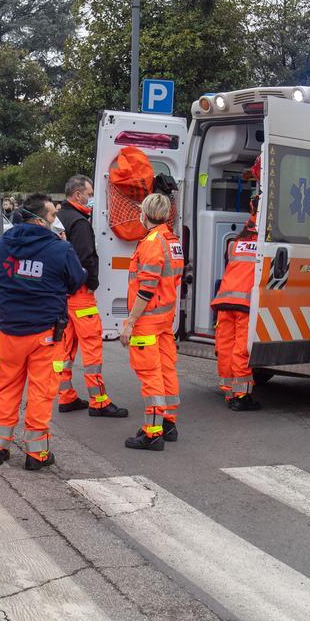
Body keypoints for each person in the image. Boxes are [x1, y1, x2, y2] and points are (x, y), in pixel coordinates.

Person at [0, 193, 86, 471]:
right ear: (40, 218)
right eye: (53, 216)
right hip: (45, 333)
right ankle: (36, 454)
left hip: (10, 331)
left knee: (5, 388)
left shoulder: (4, 243)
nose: (55, 220)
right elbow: (77, 280)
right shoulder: (59, 248)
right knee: (41, 393)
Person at [56, 175, 130, 419]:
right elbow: (85, 256)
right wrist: (92, 282)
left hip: (63, 295)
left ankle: (65, 396)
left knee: (65, 349)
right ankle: (99, 401)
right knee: (92, 350)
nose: (90, 199)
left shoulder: (58, 219)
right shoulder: (79, 222)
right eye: (89, 194)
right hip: (80, 296)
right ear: (77, 195)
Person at [119, 192, 183, 451]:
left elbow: (146, 287)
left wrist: (130, 323)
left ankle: (153, 432)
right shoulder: (172, 239)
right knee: (167, 370)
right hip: (164, 319)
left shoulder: (151, 243)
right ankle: (168, 423)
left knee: (150, 375)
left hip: (147, 320)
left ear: (144, 214)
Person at [212, 201, 262, 411]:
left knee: (225, 347)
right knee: (241, 349)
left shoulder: (234, 244)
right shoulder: (263, 247)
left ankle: (229, 390)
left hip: (225, 301)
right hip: (244, 304)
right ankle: (241, 396)